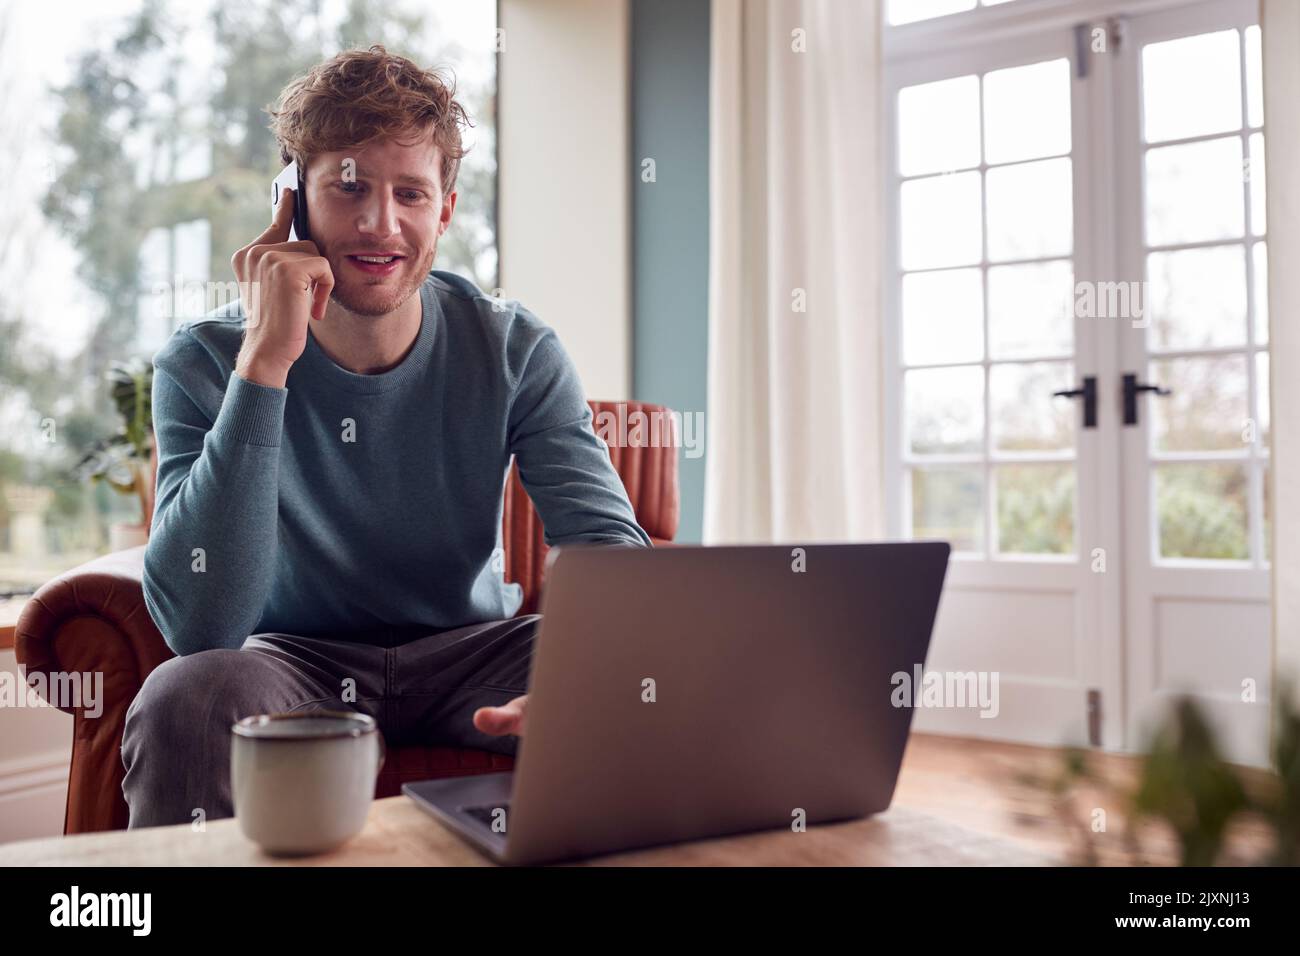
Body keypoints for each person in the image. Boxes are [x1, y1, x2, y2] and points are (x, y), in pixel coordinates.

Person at [121, 45, 651, 829]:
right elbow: (202, 625)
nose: (380, 222)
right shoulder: (202, 360)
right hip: (289, 659)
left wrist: (595, 669)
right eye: (348, 187)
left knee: (653, 675)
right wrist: (266, 362)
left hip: (473, 651)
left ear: (444, 210)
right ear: (292, 201)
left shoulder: (513, 347)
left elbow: (610, 551)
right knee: (186, 696)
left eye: (410, 193)